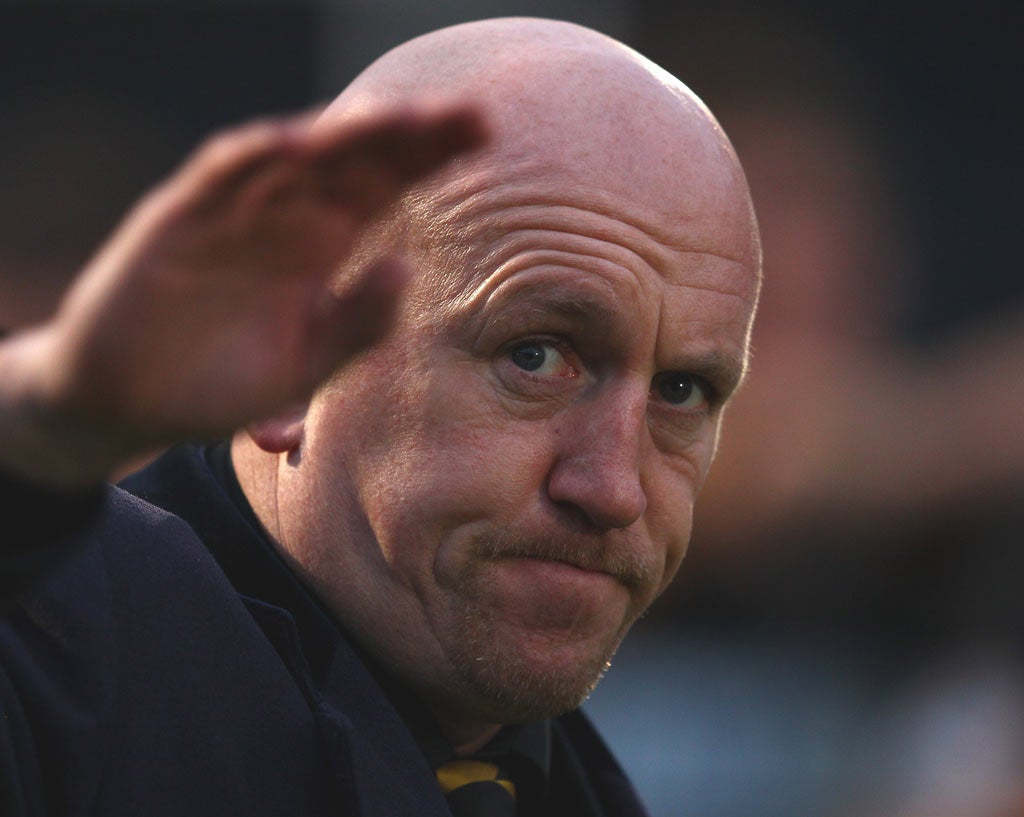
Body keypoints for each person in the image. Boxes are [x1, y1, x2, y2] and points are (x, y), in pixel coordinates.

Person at [0, 17, 760, 817]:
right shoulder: (56, 639)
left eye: (682, 392)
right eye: (534, 356)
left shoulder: (587, 796)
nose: (612, 488)